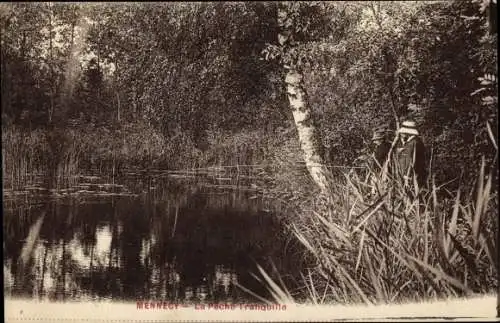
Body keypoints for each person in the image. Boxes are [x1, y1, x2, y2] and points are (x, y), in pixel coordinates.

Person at [394, 120, 427, 190]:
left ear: (407, 132)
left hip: (412, 175)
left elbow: (411, 160)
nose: (402, 133)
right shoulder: (415, 141)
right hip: (415, 174)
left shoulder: (413, 143)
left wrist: (407, 175)